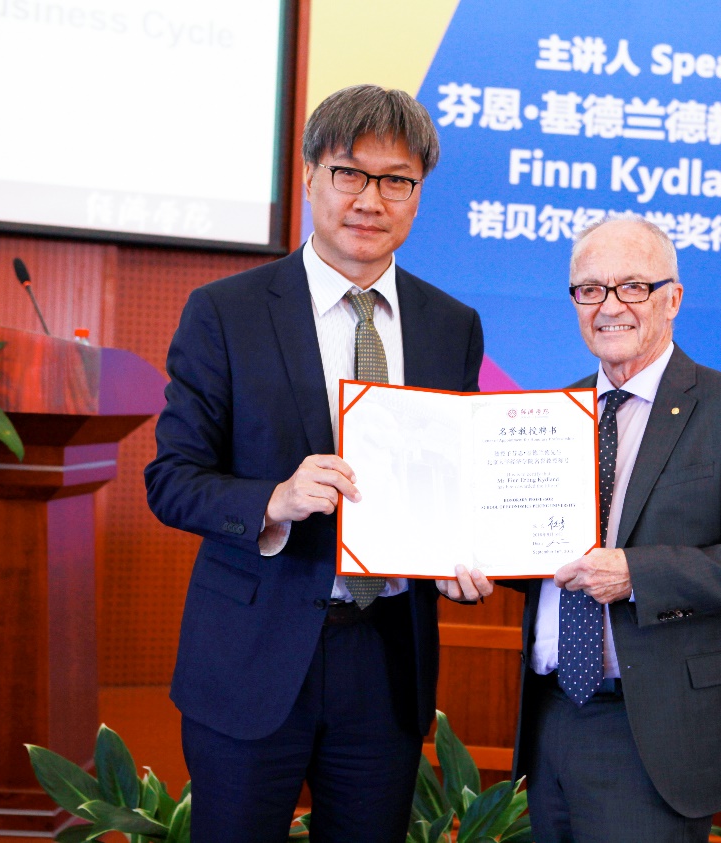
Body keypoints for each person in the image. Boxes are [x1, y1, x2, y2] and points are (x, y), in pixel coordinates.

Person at [145, 84, 493, 843]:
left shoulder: (451, 326)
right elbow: (170, 480)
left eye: (396, 180)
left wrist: (466, 554)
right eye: (349, 173)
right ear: (308, 175)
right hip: (252, 654)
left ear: (418, 194)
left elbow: (456, 480)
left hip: (386, 658)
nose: (370, 199)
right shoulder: (226, 311)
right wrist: (273, 499)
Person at [511, 215, 721, 842]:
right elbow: (536, 555)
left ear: (673, 298)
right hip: (550, 715)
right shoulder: (548, 413)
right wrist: (474, 563)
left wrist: (635, 574)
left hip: (657, 727)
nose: (609, 306)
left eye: (632, 287)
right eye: (590, 289)